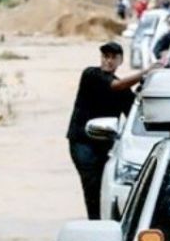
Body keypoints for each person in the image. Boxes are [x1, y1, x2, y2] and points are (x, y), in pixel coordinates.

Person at [67, 42, 159, 219]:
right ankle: (95, 224)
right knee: (92, 185)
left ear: (120, 61)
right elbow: (115, 86)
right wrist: (145, 72)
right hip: (82, 142)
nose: (108, 61)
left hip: (105, 143)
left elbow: (138, 114)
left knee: (108, 185)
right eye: (105, 57)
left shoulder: (123, 92)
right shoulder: (91, 74)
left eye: (113, 58)